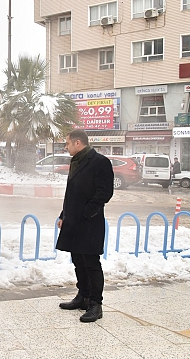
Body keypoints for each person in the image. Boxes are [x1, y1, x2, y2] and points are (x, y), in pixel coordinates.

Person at [56, 129, 114, 323]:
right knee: (78, 260)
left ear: (78, 143)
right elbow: (71, 193)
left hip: (90, 222)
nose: (66, 147)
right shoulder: (76, 161)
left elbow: (104, 192)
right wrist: (64, 214)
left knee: (91, 262)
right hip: (74, 221)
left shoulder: (100, 162)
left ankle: (96, 305)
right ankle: (83, 296)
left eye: (68, 143)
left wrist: (87, 212)